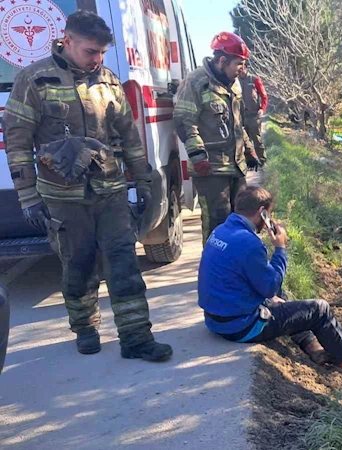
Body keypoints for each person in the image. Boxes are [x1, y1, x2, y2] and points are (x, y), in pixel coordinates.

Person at [3, 11, 172, 361]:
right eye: (90, 51)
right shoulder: (33, 80)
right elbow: (18, 141)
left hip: (109, 191)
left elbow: (128, 134)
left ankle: (136, 337)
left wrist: (142, 179)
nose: (97, 60)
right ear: (67, 41)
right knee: (77, 265)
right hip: (62, 197)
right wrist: (28, 196)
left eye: (101, 53)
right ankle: (85, 327)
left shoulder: (108, 81)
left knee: (124, 262)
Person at [198, 186, 342, 377]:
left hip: (215, 319)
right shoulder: (249, 243)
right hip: (240, 327)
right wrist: (280, 248)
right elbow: (271, 285)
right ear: (262, 212)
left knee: (283, 298)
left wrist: (271, 296)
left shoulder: (220, 231)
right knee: (319, 309)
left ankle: (313, 347)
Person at [174, 31, 261, 245]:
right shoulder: (196, 82)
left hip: (235, 166)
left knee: (241, 220)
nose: (241, 70)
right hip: (211, 169)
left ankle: (237, 268)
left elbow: (237, 123)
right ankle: (215, 271)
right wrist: (198, 157)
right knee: (217, 223)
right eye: (238, 64)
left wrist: (249, 149)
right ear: (222, 60)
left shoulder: (234, 84)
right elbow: (184, 121)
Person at [239, 64, 268, 168]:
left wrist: (262, 109)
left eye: (242, 68)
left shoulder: (255, 80)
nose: (240, 71)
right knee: (243, 141)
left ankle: (262, 162)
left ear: (246, 68)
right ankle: (248, 162)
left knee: (257, 140)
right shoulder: (234, 81)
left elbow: (264, 96)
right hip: (241, 116)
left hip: (253, 115)